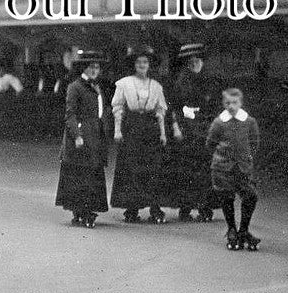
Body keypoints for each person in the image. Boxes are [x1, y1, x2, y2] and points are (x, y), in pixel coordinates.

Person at [110, 47, 170, 224]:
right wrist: (117, 130)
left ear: (149, 65)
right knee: (131, 167)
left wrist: (163, 133)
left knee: (153, 168)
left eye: (145, 62)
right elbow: (118, 108)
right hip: (132, 127)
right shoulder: (124, 83)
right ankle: (132, 207)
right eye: (138, 62)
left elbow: (161, 109)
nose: (142, 65)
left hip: (150, 128)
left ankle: (155, 207)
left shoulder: (156, 86)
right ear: (134, 65)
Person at [162, 43, 220, 222]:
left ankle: (205, 206)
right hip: (186, 126)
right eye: (192, 61)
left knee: (205, 168)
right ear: (187, 63)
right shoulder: (180, 81)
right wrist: (176, 126)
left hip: (204, 126)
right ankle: (185, 206)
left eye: (198, 60)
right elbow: (173, 106)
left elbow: (215, 105)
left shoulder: (209, 81)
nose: (196, 64)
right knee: (186, 167)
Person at [55, 49, 111, 228]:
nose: (94, 70)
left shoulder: (96, 86)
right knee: (80, 174)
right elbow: (70, 114)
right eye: (91, 67)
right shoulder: (75, 86)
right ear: (83, 68)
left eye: (97, 67)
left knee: (91, 173)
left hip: (95, 135)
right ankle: (81, 211)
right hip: (80, 136)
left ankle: (85, 210)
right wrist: (77, 136)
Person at [207, 88, 262, 251]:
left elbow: (254, 143)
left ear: (241, 103)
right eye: (228, 103)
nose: (231, 106)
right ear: (223, 104)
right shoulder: (219, 122)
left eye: (235, 103)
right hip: (223, 168)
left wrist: (245, 158)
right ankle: (231, 229)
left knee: (250, 196)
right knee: (226, 197)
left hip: (242, 168)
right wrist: (223, 157)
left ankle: (243, 230)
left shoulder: (249, 121)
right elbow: (210, 143)